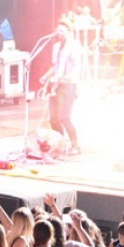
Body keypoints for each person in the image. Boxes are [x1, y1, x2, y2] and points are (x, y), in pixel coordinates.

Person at [39, 16, 81, 155]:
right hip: (55, 86)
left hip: (68, 85)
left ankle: (76, 145)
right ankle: (62, 144)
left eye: (62, 31)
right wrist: (47, 75)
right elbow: (54, 66)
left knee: (64, 117)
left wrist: (64, 78)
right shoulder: (56, 47)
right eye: (58, 30)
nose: (59, 33)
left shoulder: (74, 47)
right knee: (54, 119)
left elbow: (75, 67)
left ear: (69, 32)